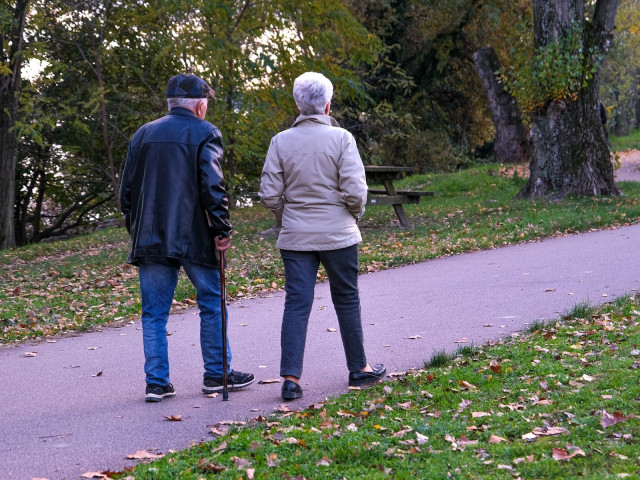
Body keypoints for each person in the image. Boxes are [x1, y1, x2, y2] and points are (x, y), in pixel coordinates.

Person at [120, 73, 254, 402]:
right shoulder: (205, 132)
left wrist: (136, 228)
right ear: (198, 106)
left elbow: (126, 194)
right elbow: (213, 187)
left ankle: (157, 382)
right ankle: (216, 373)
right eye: (206, 101)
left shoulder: (142, 135)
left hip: (150, 237)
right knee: (212, 301)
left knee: (154, 312)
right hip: (194, 236)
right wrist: (222, 230)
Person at [259, 71, 386, 401]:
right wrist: (351, 216)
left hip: (295, 236)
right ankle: (359, 369)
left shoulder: (280, 141)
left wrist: (285, 215)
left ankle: (291, 379)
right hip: (338, 234)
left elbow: (269, 194)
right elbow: (356, 191)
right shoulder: (342, 139)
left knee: (297, 304)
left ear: (298, 104)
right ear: (327, 105)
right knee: (346, 298)